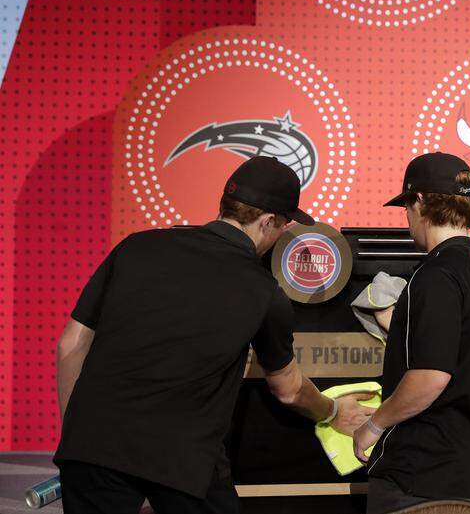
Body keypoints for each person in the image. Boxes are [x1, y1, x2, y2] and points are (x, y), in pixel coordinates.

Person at [54, 156, 374, 513]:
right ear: (268, 221)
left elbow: (71, 344)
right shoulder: (264, 292)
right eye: (284, 225)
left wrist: (77, 435)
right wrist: (331, 411)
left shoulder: (136, 247)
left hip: (92, 446)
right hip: (182, 457)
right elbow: (289, 390)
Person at [352, 152, 470, 513]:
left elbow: (430, 378)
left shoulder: (436, 274)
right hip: (467, 470)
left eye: (406, 207)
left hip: (419, 476)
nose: (407, 219)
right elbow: (457, 351)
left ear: (419, 201)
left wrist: (373, 426)